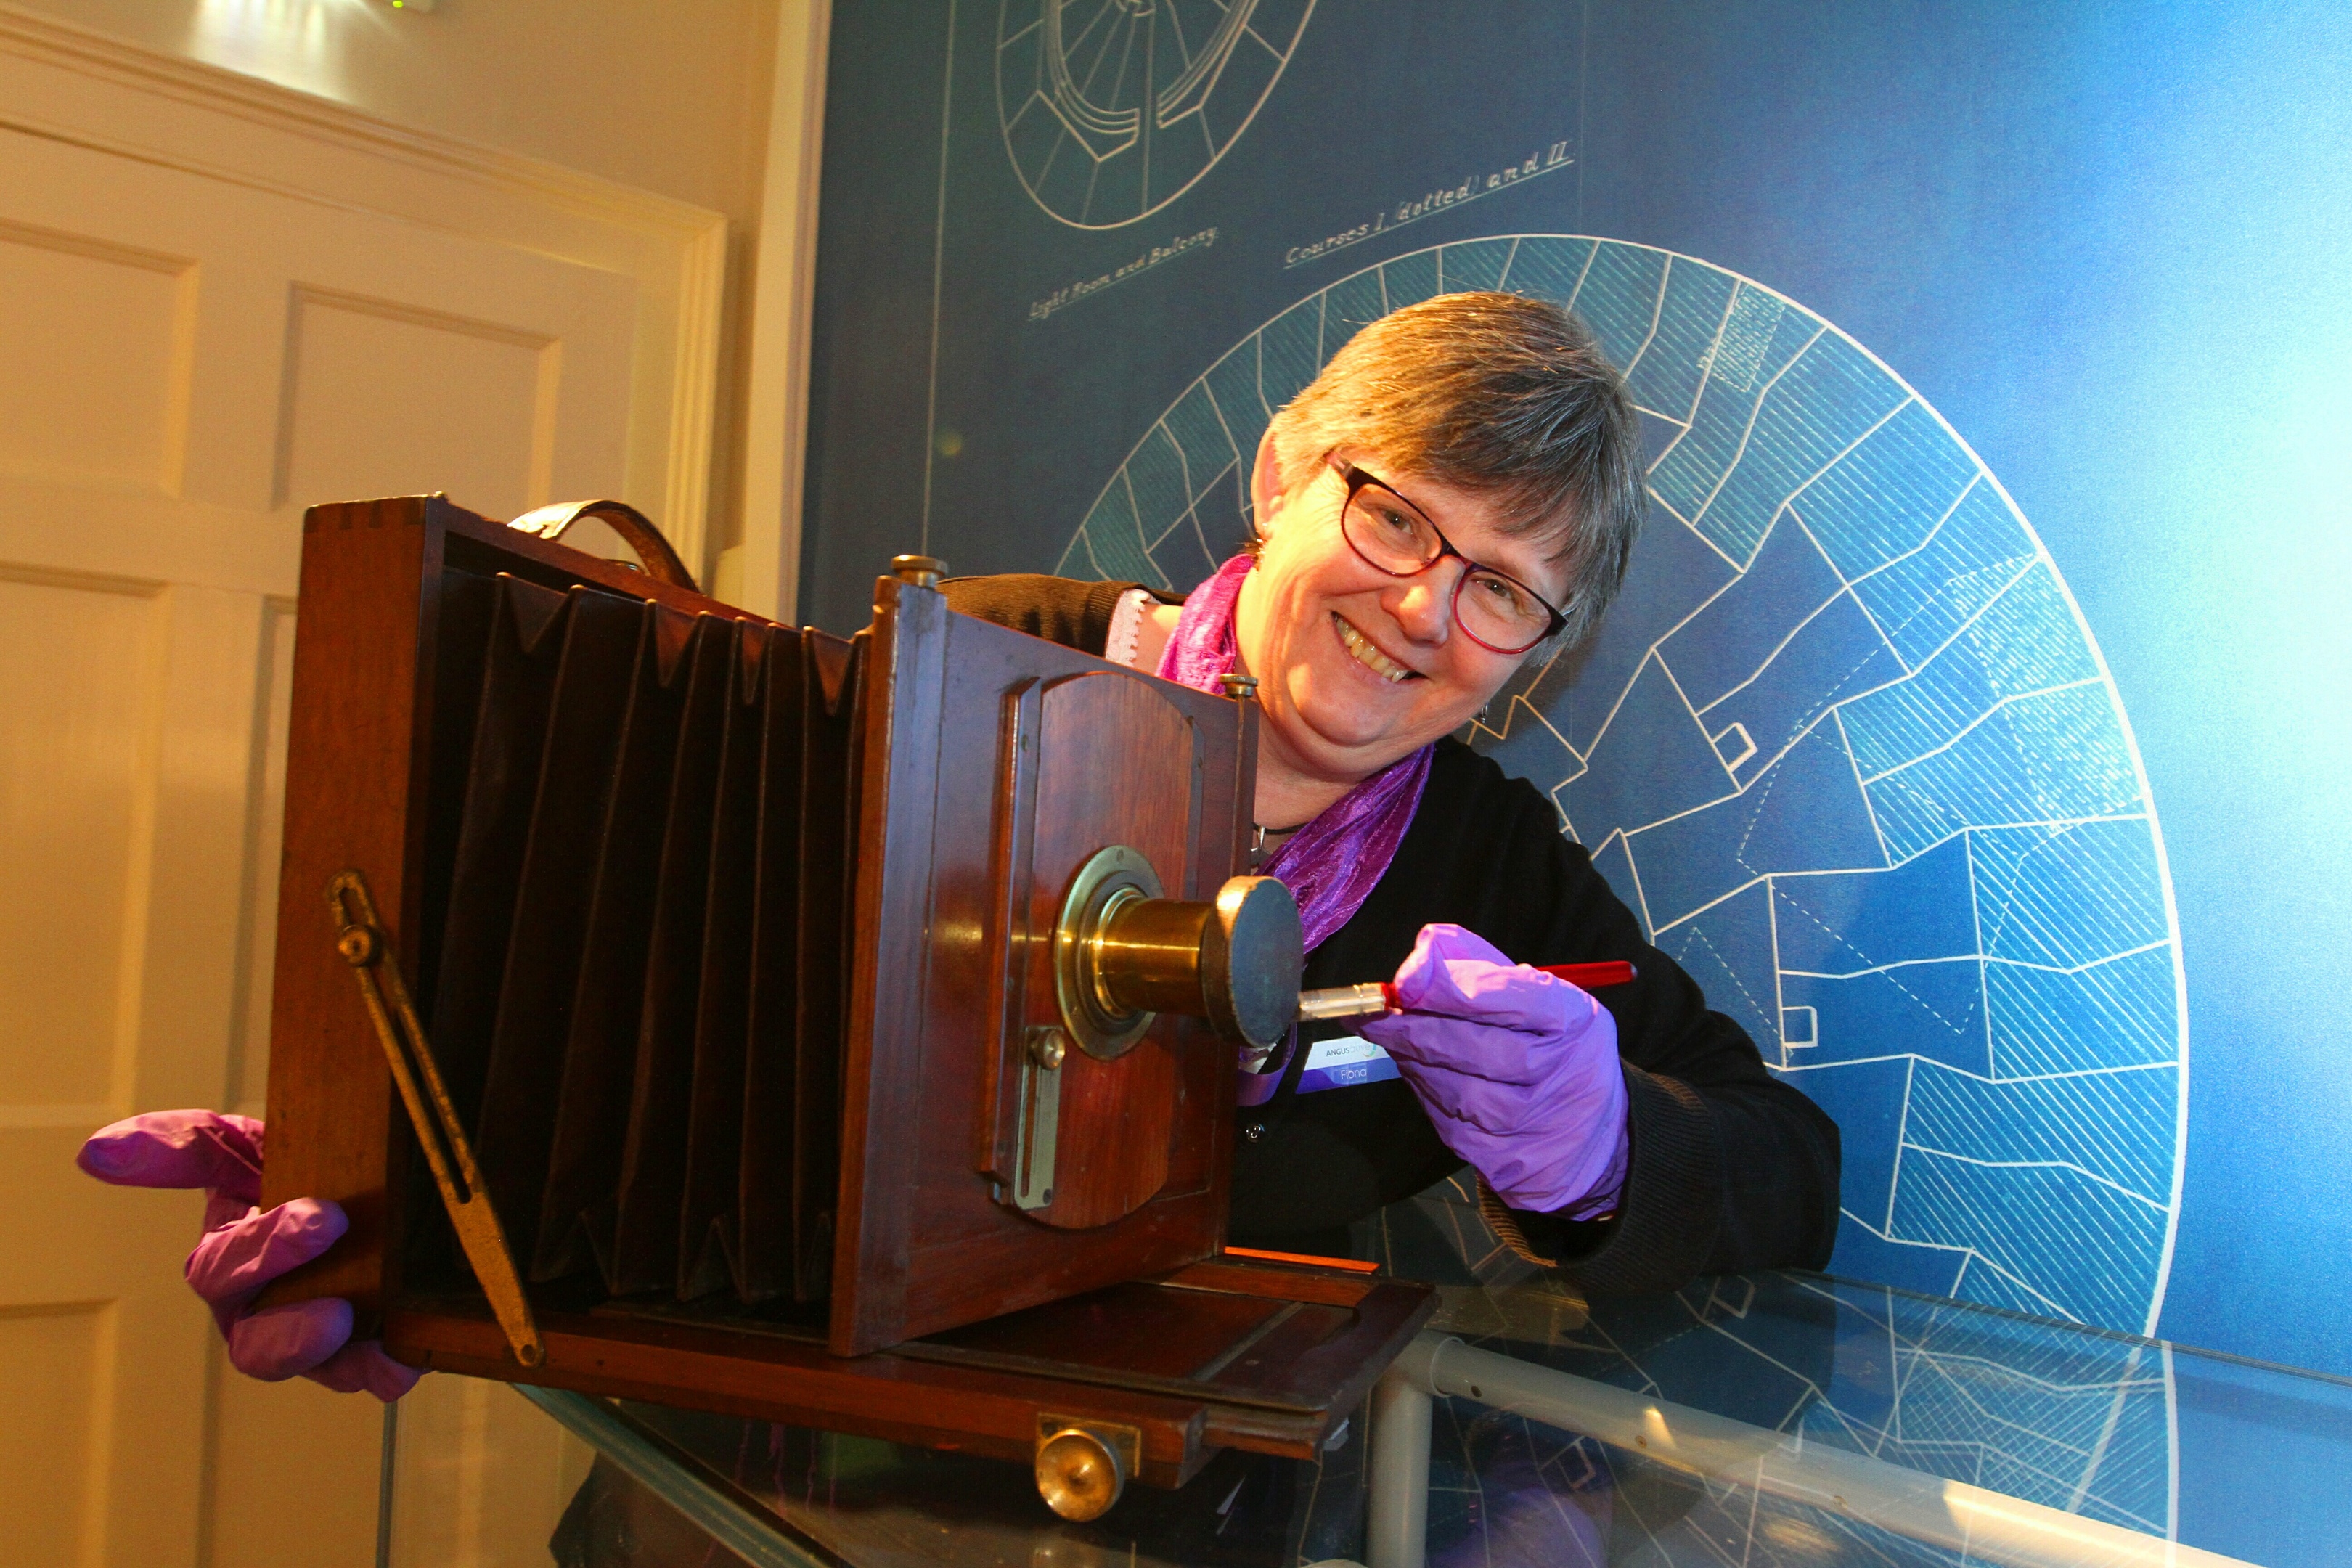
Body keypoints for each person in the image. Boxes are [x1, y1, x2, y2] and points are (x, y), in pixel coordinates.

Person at [78, 290, 1838, 1401]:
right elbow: (672, 1005)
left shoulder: (1495, 866)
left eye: (1503, 592)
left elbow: (1790, 1162)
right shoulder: (991, 666)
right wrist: (417, 1208)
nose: (1422, 606)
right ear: (1287, 471)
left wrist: (1604, 1150)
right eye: (1393, 515)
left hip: (1172, 1515)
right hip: (782, 1491)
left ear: (1535, 658)